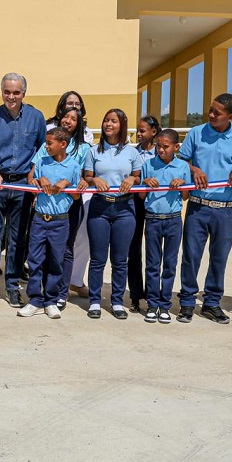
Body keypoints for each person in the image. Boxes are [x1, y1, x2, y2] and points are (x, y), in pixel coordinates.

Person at [177, 93, 232, 324]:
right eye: (210, 109)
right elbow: (181, 161)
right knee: (191, 257)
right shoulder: (196, 133)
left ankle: (212, 303)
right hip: (198, 207)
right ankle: (187, 302)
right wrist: (194, 169)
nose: (210, 114)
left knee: (219, 258)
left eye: (217, 113)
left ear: (231, 116)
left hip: (225, 209)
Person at [0, 73, 46, 308]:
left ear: (24, 93)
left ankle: (12, 286)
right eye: (7, 92)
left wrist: (33, 175)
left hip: (23, 185)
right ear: (1, 92)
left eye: (16, 92)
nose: (11, 97)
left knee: (18, 237)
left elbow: (42, 150)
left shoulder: (36, 117)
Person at [83, 109, 143, 320]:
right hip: (99, 208)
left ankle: (117, 301)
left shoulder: (131, 152)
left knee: (120, 260)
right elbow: (87, 177)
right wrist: (94, 180)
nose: (108, 124)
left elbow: (138, 177)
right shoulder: (93, 151)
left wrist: (132, 180)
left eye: (113, 121)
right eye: (106, 120)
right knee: (97, 259)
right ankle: (95, 301)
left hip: (124, 210)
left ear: (122, 125)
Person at [18, 127, 81, 319]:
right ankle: (35, 300)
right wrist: (38, 179)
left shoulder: (73, 166)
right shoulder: (42, 162)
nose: (46, 146)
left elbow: (77, 197)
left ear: (63, 144)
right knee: (35, 260)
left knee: (56, 261)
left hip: (60, 221)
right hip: (39, 219)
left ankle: (51, 300)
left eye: (49, 143)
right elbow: (32, 182)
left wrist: (67, 183)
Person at [32, 107, 90, 309]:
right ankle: (40, 295)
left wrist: (73, 183)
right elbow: (33, 175)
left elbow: (84, 178)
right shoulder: (46, 150)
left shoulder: (84, 148)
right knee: (40, 254)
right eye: (65, 116)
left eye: (73, 118)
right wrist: (39, 179)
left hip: (68, 208)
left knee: (64, 251)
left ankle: (60, 293)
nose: (68, 120)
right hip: (45, 209)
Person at [140, 128, 190, 324]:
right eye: (158, 146)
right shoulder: (148, 164)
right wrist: (145, 182)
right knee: (152, 263)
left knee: (169, 264)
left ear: (176, 147)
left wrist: (182, 184)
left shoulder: (183, 166)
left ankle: (165, 304)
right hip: (152, 219)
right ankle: (152, 304)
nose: (161, 150)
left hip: (173, 220)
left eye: (165, 147)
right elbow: (141, 195)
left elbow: (185, 197)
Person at [128, 114, 161, 313]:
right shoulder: (133, 153)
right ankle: (135, 295)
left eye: (142, 131)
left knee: (153, 252)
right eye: (138, 130)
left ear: (153, 132)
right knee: (133, 250)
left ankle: (153, 294)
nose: (138, 134)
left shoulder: (162, 152)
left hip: (156, 204)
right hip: (135, 203)